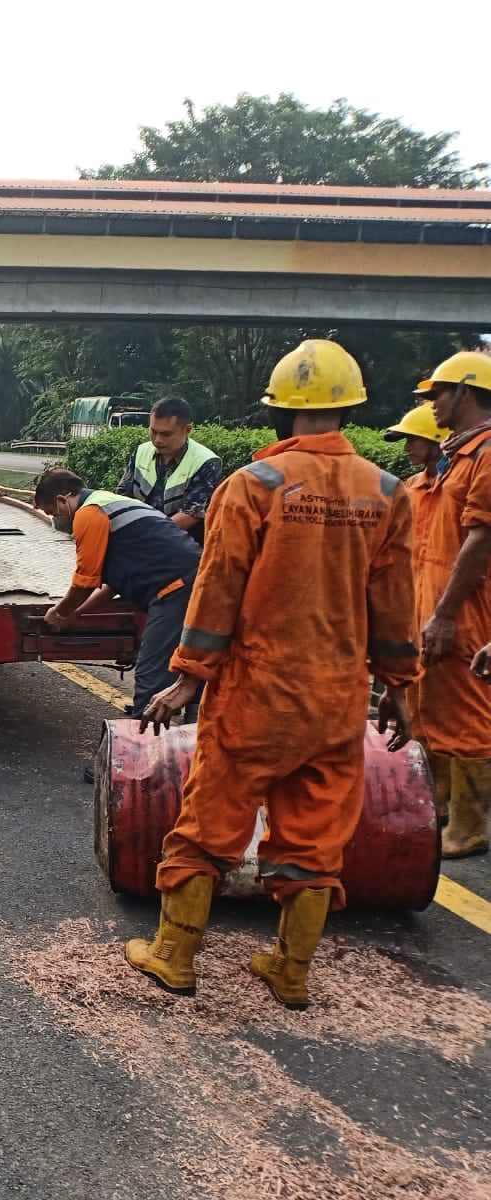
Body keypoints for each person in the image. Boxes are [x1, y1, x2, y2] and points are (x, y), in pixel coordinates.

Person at [129, 339, 418, 1010]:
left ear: (279, 411)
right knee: (315, 837)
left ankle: (174, 956)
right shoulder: (387, 492)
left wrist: (188, 677)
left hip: (255, 692)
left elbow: (217, 590)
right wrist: (401, 687)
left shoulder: (253, 486)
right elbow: (396, 604)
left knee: (208, 825)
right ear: (349, 409)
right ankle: (290, 970)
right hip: (337, 698)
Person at [33, 469, 201, 718]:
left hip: (176, 589)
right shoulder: (108, 503)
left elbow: (84, 583)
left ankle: (144, 732)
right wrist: (76, 614)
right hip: (196, 580)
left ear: (61, 499)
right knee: (193, 661)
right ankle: (194, 724)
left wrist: (60, 612)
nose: (57, 518)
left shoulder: (89, 513)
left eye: (53, 512)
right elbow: (112, 585)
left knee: (152, 671)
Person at [413, 349, 491, 858]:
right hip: (439, 606)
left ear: (465, 391)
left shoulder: (486, 454)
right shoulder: (457, 456)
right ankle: (442, 809)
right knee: (436, 711)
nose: (432, 403)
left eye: (438, 393)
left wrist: (444, 614)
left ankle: (470, 825)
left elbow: (481, 537)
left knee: (468, 716)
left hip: (467, 612)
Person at [116, 396, 221, 545]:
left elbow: (191, 513)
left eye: (166, 434)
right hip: (139, 539)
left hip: (182, 546)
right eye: (153, 431)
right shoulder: (141, 451)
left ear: (187, 430)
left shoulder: (206, 461)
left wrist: (147, 534)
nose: (158, 440)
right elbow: (123, 495)